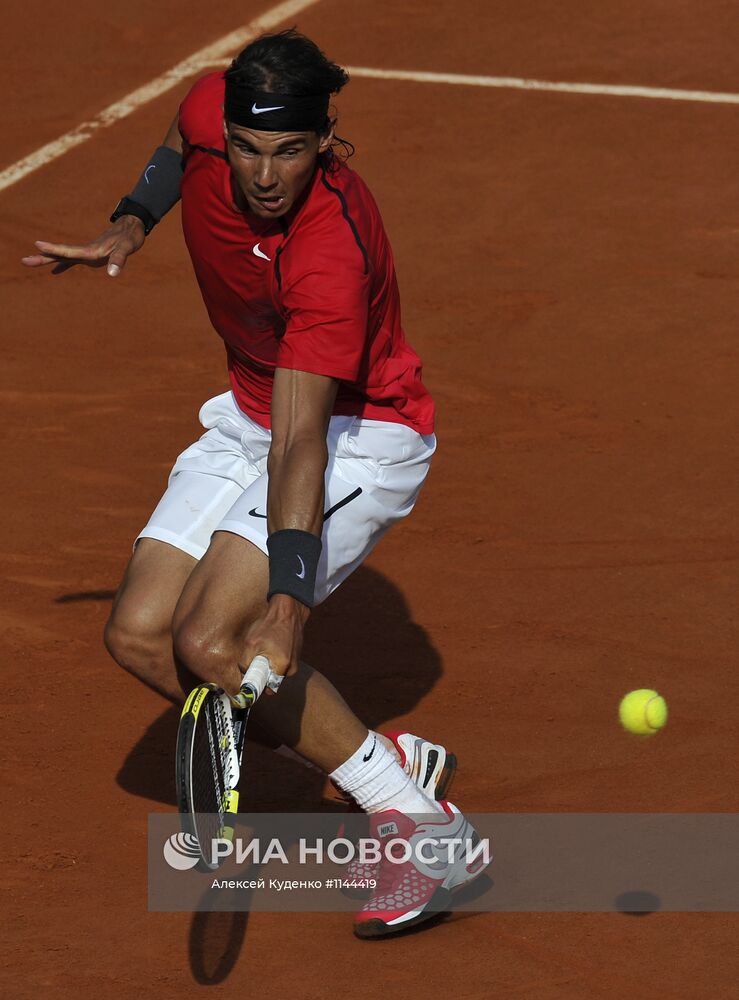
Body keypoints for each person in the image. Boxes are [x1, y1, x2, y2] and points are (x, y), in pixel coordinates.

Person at [23, 29, 485, 936]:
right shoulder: (208, 106)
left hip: (357, 434)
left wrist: (288, 600)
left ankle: (427, 831)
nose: (263, 173)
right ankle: (379, 761)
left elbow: (302, 442)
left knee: (212, 635)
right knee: (143, 636)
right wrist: (132, 218)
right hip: (248, 412)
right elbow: (172, 142)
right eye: (245, 146)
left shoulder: (328, 255)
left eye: (289, 151)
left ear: (326, 140)